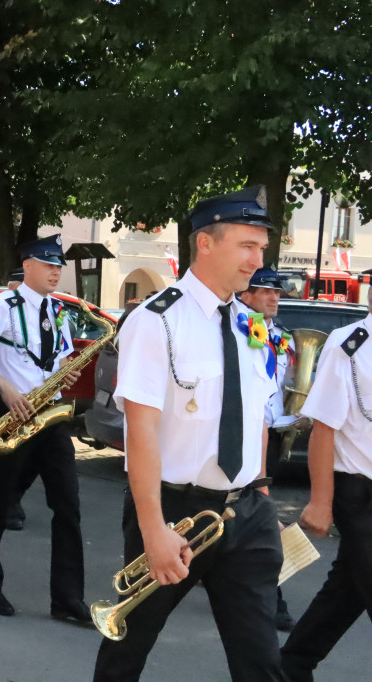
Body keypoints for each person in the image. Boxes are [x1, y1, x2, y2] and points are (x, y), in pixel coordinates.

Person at [93, 186, 284, 682]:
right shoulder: (157, 321)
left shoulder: (251, 324)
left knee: (261, 660)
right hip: (176, 513)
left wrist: (259, 489)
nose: (257, 259)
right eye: (247, 245)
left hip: (245, 513)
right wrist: (153, 530)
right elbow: (141, 431)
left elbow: (255, 413)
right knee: (128, 650)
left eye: (261, 247)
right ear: (205, 243)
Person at [0, 234, 88, 624]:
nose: (56, 271)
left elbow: (57, 361)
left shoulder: (59, 310)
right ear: (29, 265)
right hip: (13, 417)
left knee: (68, 508)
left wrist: (63, 376)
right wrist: (3, 386)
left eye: (59, 265)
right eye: (49, 264)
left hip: (49, 418)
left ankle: (68, 600)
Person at [279, 286, 372, 680]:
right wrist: (321, 501)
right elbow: (324, 428)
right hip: (361, 494)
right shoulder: (350, 346)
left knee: (345, 594)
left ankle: (290, 667)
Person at [238, 267, 297, 632]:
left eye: (277, 292)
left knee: (239, 512)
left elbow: (284, 384)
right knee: (262, 516)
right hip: (246, 432)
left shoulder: (281, 336)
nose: (274, 297)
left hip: (271, 431)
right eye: (264, 291)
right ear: (247, 295)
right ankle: (273, 601)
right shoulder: (248, 329)